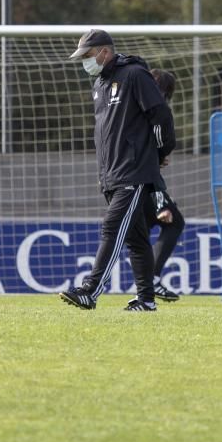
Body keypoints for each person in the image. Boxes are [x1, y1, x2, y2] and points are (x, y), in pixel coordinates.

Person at [60, 29, 176, 312]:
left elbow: (159, 114)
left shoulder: (135, 75)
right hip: (110, 175)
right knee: (136, 239)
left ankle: (90, 290)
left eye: (87, 56)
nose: (85, 62)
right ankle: (146, 301)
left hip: (133, 172)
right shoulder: (100, 82)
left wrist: (160, 152)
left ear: (104, 52)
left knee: (112, 227)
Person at [145, 69, 185, 302]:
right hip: (145, 179)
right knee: (172, 220)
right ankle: (149, 281)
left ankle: (149, 282)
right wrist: (159, 156)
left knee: (136, 230)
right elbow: (164, 142)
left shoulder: (132, 107)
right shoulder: (159, 110)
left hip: (124, 175)